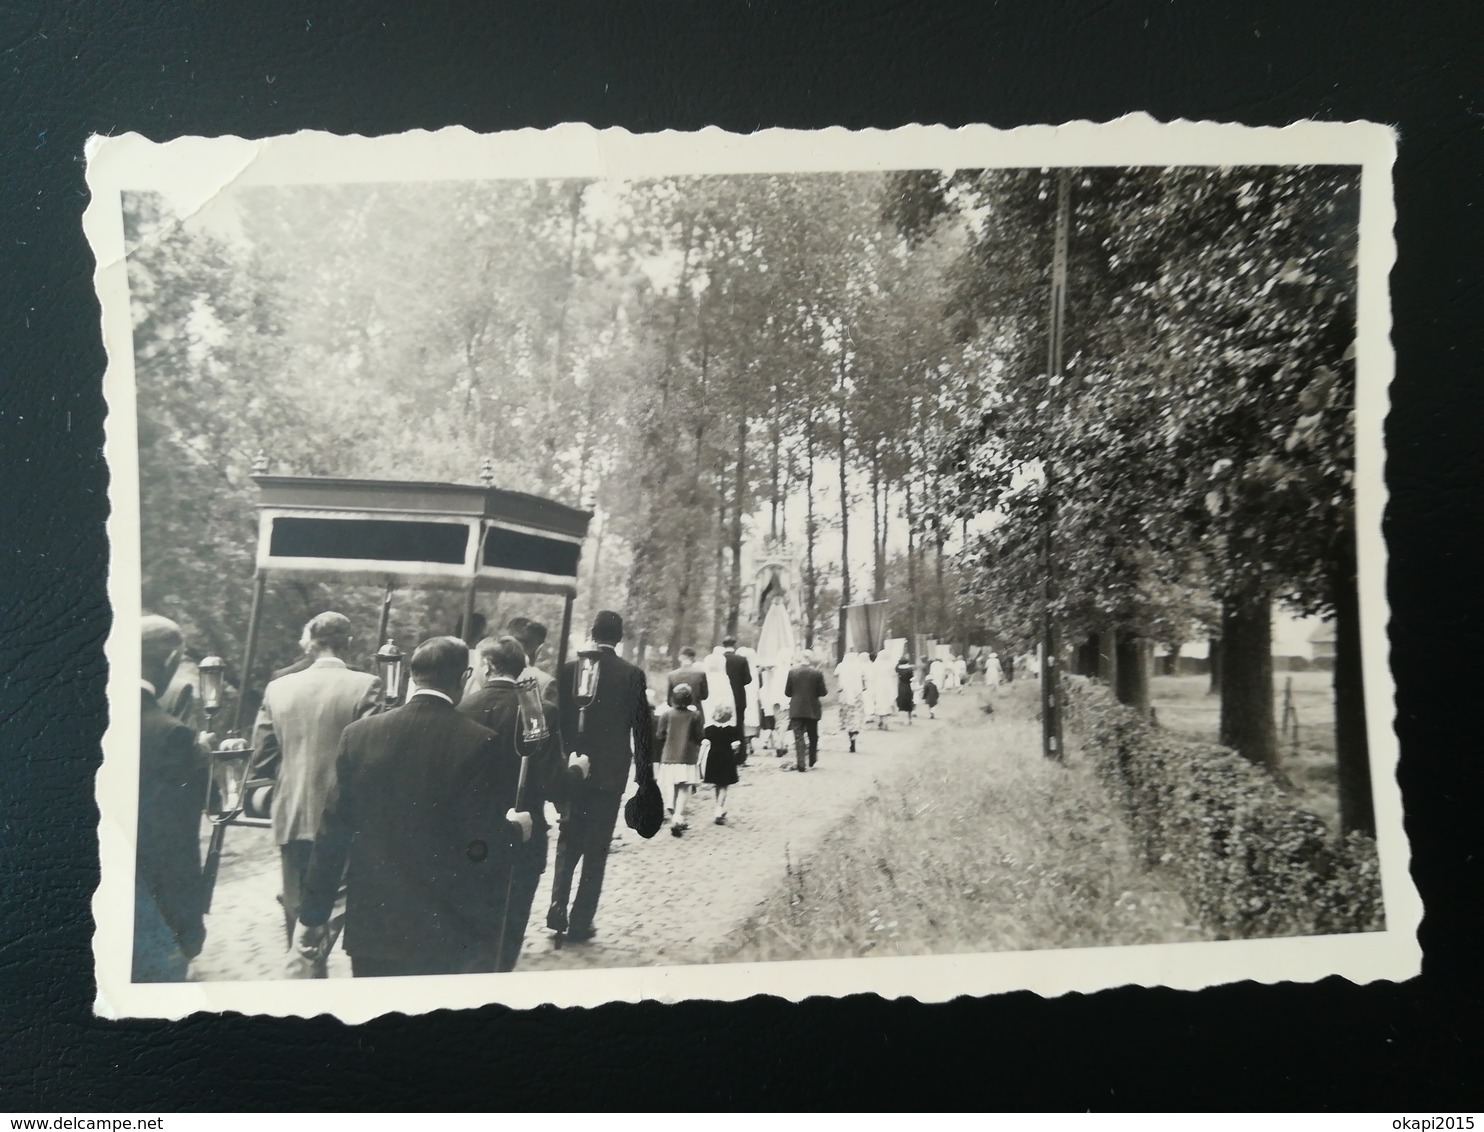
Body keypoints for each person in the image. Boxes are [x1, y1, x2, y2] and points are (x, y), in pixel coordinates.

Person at [293, 636, 533, 977]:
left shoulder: (358, 735)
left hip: (373, 928)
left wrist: (312, 917)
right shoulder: (479, 742)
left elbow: (332, 835)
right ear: (464, 678)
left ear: (412, 675)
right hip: (443, 929)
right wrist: (515, 831)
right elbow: (479, 844)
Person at [252, 611, 381, 962]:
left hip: (292, 813)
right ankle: (313, 961)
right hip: (344, 816)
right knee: (337, 901)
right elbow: (369, 756)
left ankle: (306, 969)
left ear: (311, 642)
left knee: (298, 904)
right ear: (349, 643)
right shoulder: (367, 685)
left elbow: (261, 758)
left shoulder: (277, 688)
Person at [459, 636, 588, 972]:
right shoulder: (536, 712)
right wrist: (576, 771)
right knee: (508, 930)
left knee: (470, 927)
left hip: (471, 838)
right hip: (524, 839)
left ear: (487, 665)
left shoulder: (462, 709)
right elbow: (552, 783)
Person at [547, 610, 654, 942]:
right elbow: (642, 728)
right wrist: (644, 776)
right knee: (597, 847)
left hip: (572, 771)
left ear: (592, 633)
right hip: (610, 775)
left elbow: (556, 721)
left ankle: (556, 906)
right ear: (619, 638)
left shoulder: (568, 670)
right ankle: (581, 920)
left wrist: (560, 763)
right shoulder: (632, 675)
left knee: (568, 839)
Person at [134, 615, 208, 982]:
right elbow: (173, 844)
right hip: (148, 917)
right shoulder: (171, 736)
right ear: (169, 660)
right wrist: (188, 928)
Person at [655, 683, 705, 835]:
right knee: (684, 787)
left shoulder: (666, 715)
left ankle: (674, 812)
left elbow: (660, 735)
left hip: (669, 756)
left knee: (675, 784)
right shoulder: (695, 716)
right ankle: (678, 817)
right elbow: (699, 736)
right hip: (688, 756)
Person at [784, 649, 828, 772]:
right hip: (812, 708)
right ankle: (812, 760)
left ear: (801, 658)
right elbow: (823, 692)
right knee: (813, 736)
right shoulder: (817, 672)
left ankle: (801, 764)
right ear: (811, 659)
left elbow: (787, 692)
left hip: (796, 708)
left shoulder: (792, 672)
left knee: (798, 737)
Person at [718, 636, 753, 764]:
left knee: (723, 724)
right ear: (734, 645)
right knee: (739, 726)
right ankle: (740, 757)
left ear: (723, 645)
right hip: (738, 697)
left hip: (722, 697)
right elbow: (748, 680)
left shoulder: (719, 660)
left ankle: (724, 754)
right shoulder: (742, 660)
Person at [833, 651, 869, 753]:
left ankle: (850, 737)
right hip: (857, 694)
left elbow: (835, 674)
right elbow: (864, 680)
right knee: (856, 715)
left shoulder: (841, 665)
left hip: (844, 694)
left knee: (847, 715)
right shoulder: (859, 666)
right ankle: (855, 735)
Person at [665, 646, 709, 723]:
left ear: (680, 658)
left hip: (677, 715)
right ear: (693, 658)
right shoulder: (701, 674)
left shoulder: (672, 675)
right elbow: (705, 696)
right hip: (696, 714)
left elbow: (669, 701)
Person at [895, 653, 916, 724]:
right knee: (909, 702)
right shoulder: (910, 669)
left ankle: (901, 719)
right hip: (908, 686)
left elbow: (896, 667)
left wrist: (898, 662)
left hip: (900, 686)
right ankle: (910, 719)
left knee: (901, 703)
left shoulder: (898, 669)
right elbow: (912, 678)